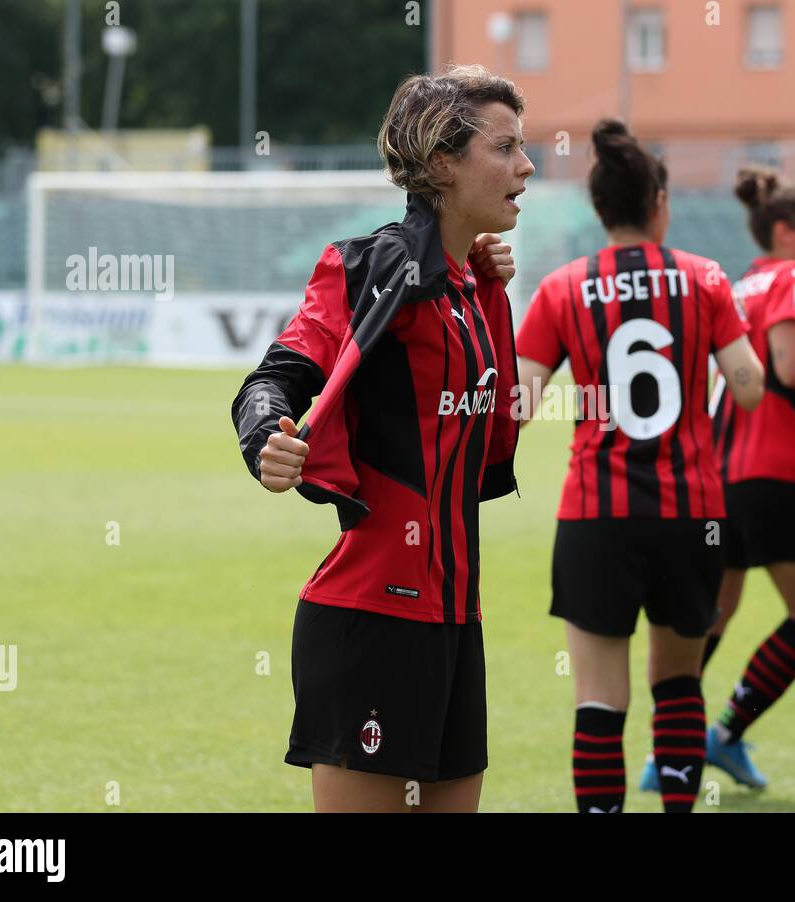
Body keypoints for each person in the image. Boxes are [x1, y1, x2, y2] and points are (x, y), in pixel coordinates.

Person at [230, 65, 533, 813]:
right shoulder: (365, 269)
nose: (527, 166)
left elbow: (497, 429)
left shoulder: (474, 287)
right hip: (370, 621)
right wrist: (266, 436)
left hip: (459, 624)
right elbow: (270, 382)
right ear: (442, 163)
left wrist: (486, 281)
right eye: (505, 148)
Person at [515, 119, 764, 813]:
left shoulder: (563, 287)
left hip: (596, 515)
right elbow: (749, 386)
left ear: (598, 210)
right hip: (693, 514)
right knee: (679, 682)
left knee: (598, 695)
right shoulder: (706, 278)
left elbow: (518, 401)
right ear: (659, 204)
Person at [696, 165, 795, 790]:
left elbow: (778, 392)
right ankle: (723, 734)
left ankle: (671, 749)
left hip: (719, 476)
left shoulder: (739, 287)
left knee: (715, 612)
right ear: (788, 230)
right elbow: (792, 370)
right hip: (771, 476)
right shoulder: (792, 277)